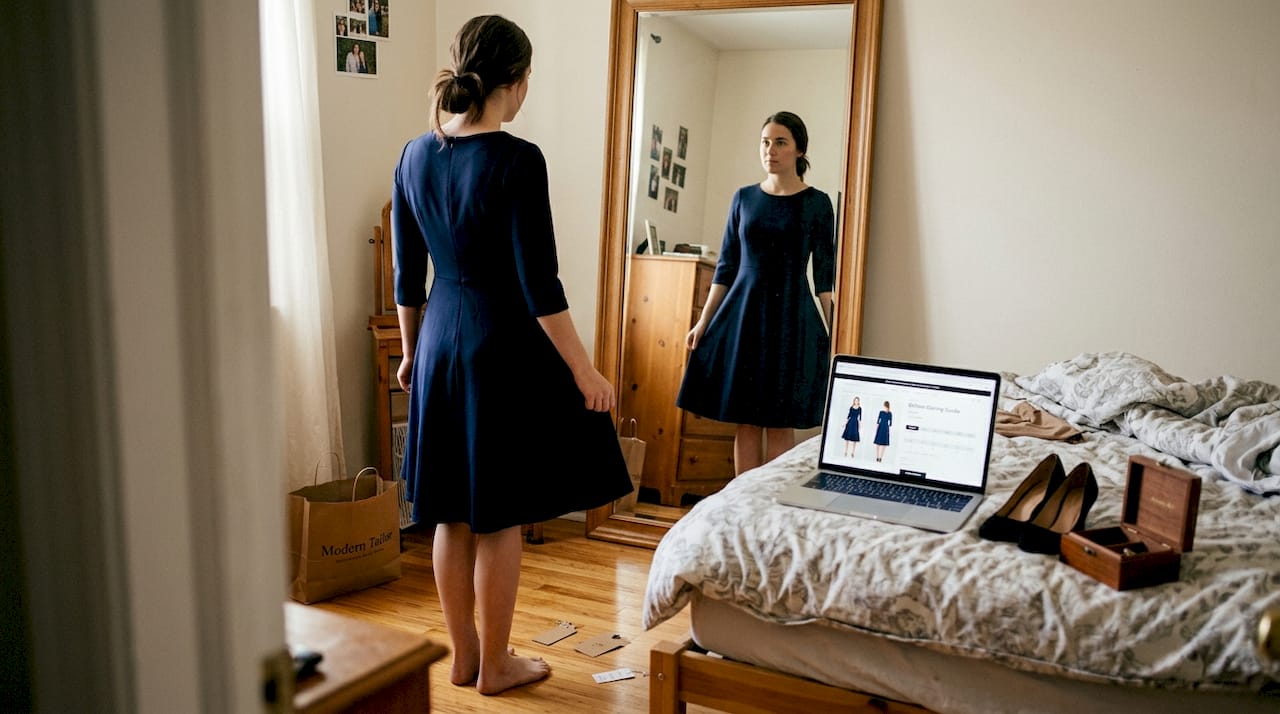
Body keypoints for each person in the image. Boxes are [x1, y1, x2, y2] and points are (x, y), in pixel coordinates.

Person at [391, 15, 632, 696]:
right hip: (498, 344)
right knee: (499, 514)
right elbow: (540, 286)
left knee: (450, 509)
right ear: (517, 81)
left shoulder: (413, 155)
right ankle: (496, 664)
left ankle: (464, 655)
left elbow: (407, 278)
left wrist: (411, 354)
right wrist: (585, 372)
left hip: (439, 339)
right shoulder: (517, 160)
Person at [676, 111, 835, 474]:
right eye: (765, 142)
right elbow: (726, 267)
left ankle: (770, 504)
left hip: (791, 318)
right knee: (746, 419)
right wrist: (704, 321)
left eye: (780, 142)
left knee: (780, 420)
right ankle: (740, 503)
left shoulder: (817, 203)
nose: (770, 150)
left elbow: (824, 277)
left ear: (799, 150)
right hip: (743, 316)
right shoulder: (743, 198)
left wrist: (835, 329)